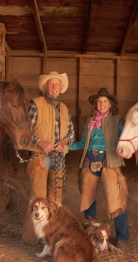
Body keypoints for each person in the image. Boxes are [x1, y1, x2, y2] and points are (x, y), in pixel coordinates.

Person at [69, 87, 129, 249]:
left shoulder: (117, 121)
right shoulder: (90, 122)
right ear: (96, 104)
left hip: (109, 162)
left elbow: (123, 141)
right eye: (99, 101)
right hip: (91, 160)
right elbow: (83, 143)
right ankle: (90, 234)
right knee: (88, 199)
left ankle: (122, 236)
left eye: (105, 101)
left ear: (110, 104)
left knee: (116, 201)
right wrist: (65, 147)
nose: (102, 104)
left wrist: (115, 157)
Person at [21, 71, 75, 245]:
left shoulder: (65, 109)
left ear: (61, 88)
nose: (54, 87)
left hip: (58, 157)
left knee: (55, 198)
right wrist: (40, 142)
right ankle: (31, 238)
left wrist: (65, 141)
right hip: (39, 156)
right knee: (37, 197)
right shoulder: (35, 104)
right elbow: (26, 129)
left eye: (56, 84)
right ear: (45, 87)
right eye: (50, 84)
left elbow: (72, 134)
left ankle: (52, 235)